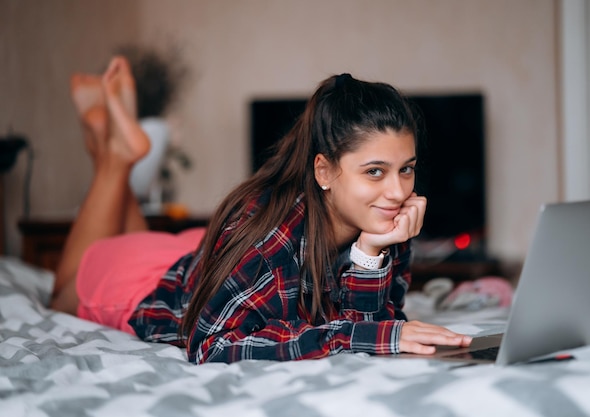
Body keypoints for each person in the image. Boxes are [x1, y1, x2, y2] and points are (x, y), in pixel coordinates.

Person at [51, 56, 473, 364]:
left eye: (407, 169)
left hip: (213, 260)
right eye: (375, 171)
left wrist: (370, 255)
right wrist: (356, 332)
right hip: (142, 284)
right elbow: (210, 343)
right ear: (324, 171)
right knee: (61, 292)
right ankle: (114, 156)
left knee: (136, 238)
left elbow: (371, 328)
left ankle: (109, 141)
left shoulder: (385, 222)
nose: (398, 191)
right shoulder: (270, 242)